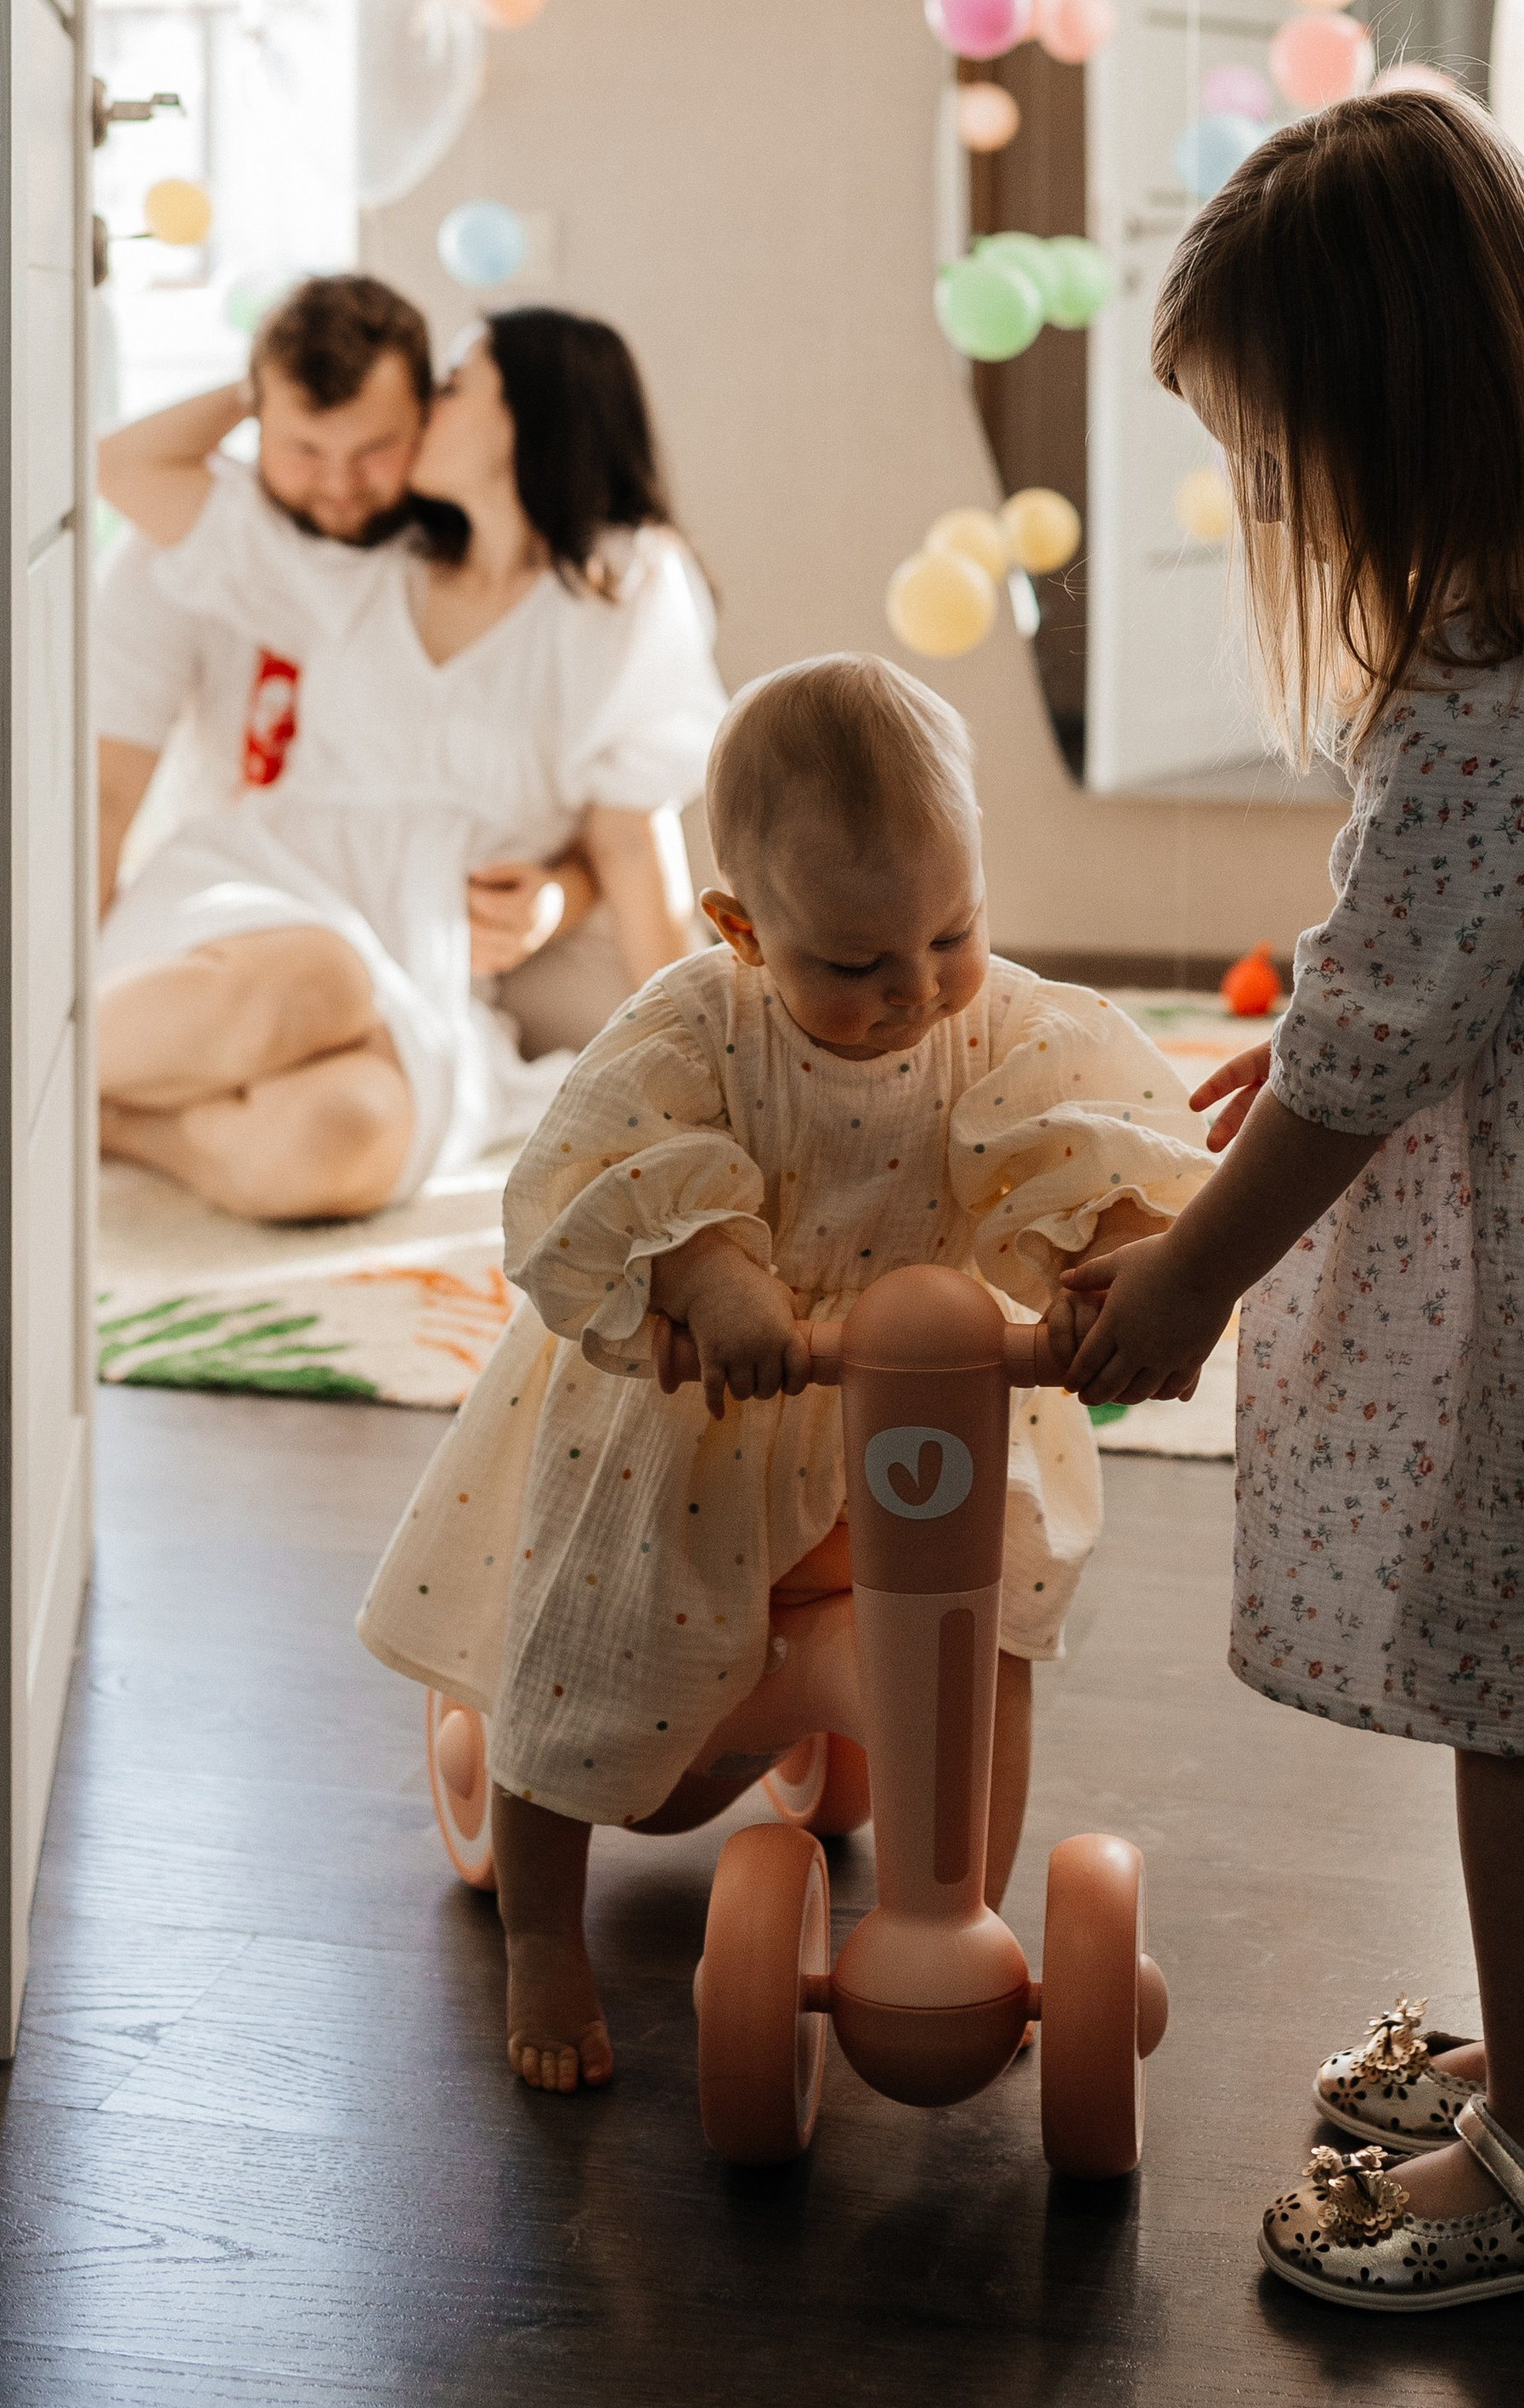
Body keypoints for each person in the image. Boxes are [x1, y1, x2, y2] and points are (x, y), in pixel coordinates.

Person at [1057, 89, 1524, 2312]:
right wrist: (1310, 1044)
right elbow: (1416, 978)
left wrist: (1191, 1278)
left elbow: (1380, 1042)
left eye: (1275, 455)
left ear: (1389, 421)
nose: (1267, 500)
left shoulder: (1488, 697)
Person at [359, 654, 1214, 2093]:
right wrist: (710, 1276)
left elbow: (1082, 1143)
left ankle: (961, 1918)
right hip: (707, 1421)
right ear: (742, 929)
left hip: (918, 1423)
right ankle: (544, 1935)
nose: (916, 991)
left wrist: (1116, 1258)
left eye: (953, 931)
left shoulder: (998, 1021)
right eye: (857, 966)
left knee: (991, 1632)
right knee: (589, 1656)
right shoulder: (697, 1029)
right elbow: (609, 1170)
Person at [90, 304, 726, 1222]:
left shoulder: (622, 591)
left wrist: (707, 1079)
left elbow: (633, 848)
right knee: (322, 978)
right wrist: (265, 387)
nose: (428, 404)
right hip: (263, 891)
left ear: (531, 414)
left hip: (425, 966)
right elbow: (125, 467)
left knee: (353, 1132)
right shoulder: (358, 568)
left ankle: (100, 1121)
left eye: (455, 385)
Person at [91, 279, 631, 1055]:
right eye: (304, 449)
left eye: (376, 449)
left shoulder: (460, 571)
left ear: (427, 416)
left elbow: (588, 804)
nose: (341, 486)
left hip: (415, 925)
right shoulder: (196, 547)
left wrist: (562, 894)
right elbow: (106, 797)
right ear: (259, 422)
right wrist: (71, 992)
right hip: (243, 888)